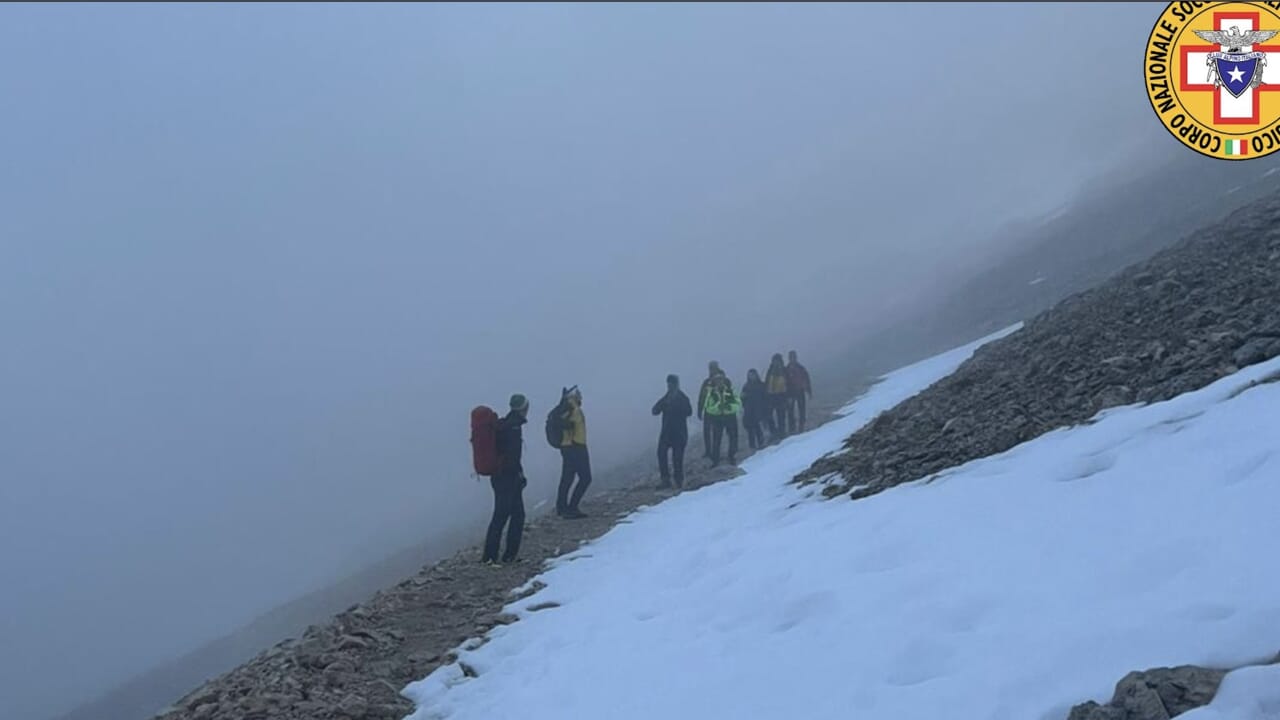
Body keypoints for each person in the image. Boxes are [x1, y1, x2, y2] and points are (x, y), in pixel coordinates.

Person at [482, 394, 528, 565]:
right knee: (507, 515)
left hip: (499, 476)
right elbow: (513, 457)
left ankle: (493, 555)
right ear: (524, 408)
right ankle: (498, 556)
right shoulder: (514, 427)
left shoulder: (504, 424)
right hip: (508, 477)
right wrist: (519, 475)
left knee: (507, 514)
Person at [555, 386, 592, 519]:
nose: (580, 397)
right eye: (578, 395)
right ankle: (571, 507)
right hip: (575, 447)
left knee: (567, 478)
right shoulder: (571, 408)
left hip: (569, 447)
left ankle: (563, 507)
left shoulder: (567, 408)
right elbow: (567, 425)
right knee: (585, 478)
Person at [652, 374, 693, 489]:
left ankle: (678, 480)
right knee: (661, 454)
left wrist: (675, 407)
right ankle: (665, 480)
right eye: (668, 383)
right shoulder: (666, 398)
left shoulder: (683, 398)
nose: (669, 385)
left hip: (679, 433)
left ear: (676, 384)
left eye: (672, 383)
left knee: (677, 458)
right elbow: (654, 410)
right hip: (666, 433)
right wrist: (664, 404)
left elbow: (689, 412)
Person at [703, 372, 741, 467]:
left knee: (733, 437)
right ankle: (715, 460)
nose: (719, 382)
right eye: (717, 380)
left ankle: (732, 456)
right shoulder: (711, 393)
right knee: (716, 439)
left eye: (721, 379)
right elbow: (708, 407)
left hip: (730, 417)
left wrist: (729, 407)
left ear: (723, 380)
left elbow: (738, 403)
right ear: (714, 382)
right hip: (717, 418)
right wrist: (718, 408)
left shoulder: (731, 390)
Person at [696, 361, 721, 459]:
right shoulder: (707, 382)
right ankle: (709, 451)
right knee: (707, 431)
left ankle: (715, 453)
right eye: (711, 368)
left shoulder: (722, 380)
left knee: (716, 432)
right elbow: (702, 396)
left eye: (713, 368)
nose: (711, 370)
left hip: (718, 411)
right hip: (708, 410)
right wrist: (700, 409)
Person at [785, 350, 814, 434]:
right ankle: (792, 428)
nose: (792, 359)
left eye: (793, 357)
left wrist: (809, 391)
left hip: (800, 391)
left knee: (802, 410)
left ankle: (801, 427)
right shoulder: (786, 370)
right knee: (790, 411)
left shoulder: (800, 368)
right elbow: (785, 383)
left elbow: (807, 380)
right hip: (790, 393)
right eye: (791, 357)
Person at [741, 368, 768, 450]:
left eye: (753, 375)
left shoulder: (761, 385)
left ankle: (761, 443)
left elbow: (765, 397)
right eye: (750, 376)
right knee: (750, 429)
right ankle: (752, 445)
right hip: (749, 410)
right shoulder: (746, 386)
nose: (752, 377)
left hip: (759, 409)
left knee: (758, 427)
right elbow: (742, 399)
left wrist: (765, 408)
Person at [764, 353, 789, 441]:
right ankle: (774, 432)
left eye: (777, 361)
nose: (776, 362)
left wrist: (788, 396)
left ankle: (782, 432)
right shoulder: (770, 370)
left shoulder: (784, 370)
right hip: (771, 396)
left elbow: (789, 384)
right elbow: (767, 383)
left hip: (782, 396)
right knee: (769, 416)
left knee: (781, 415)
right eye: (775, 361)